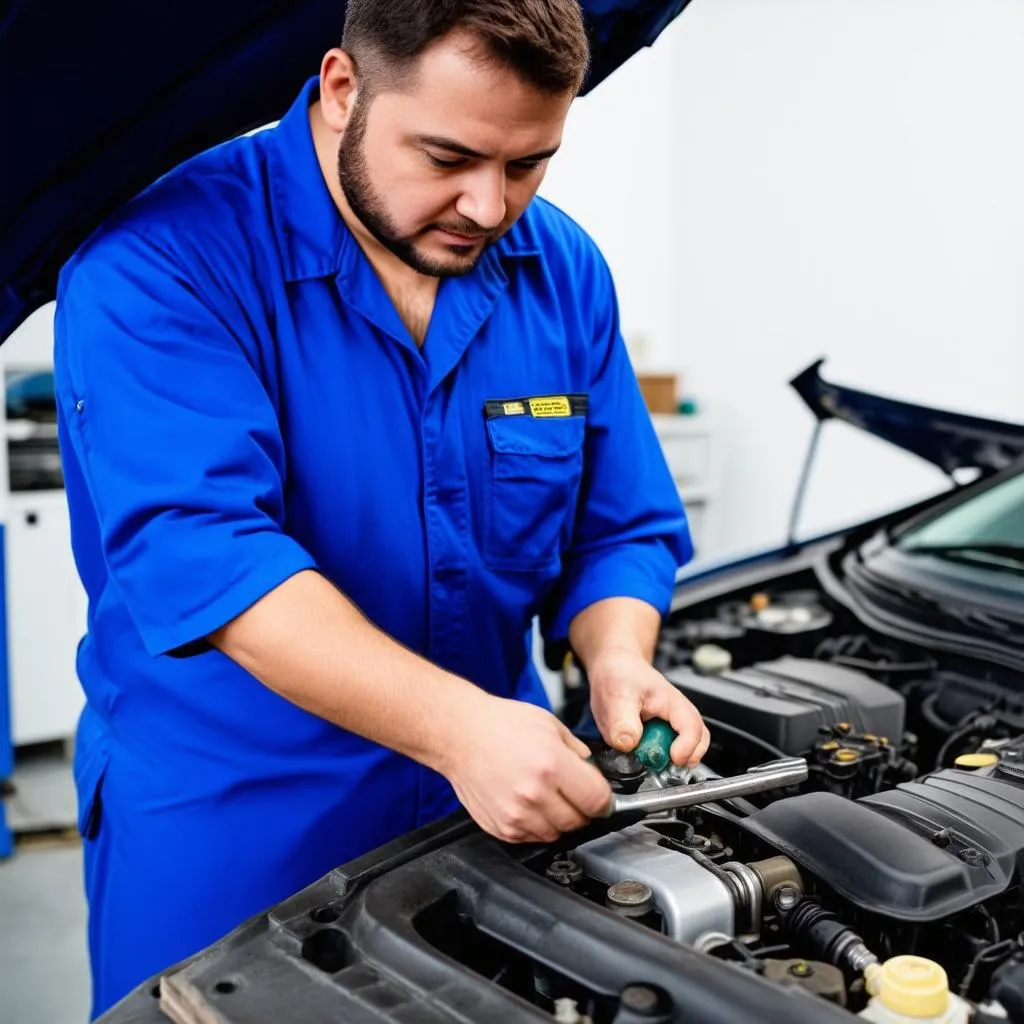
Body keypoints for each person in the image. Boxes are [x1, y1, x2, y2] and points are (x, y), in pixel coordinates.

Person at [53, 0, 708, 1016]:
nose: (488, 206)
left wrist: (617, 655)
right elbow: (214, 556)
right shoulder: (163, 264)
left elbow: (618, 528)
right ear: (341, 88)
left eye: (528, 163)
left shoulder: (561, 267)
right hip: (234, 821)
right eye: (447, 155)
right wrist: (456, 730)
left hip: (495, 803)